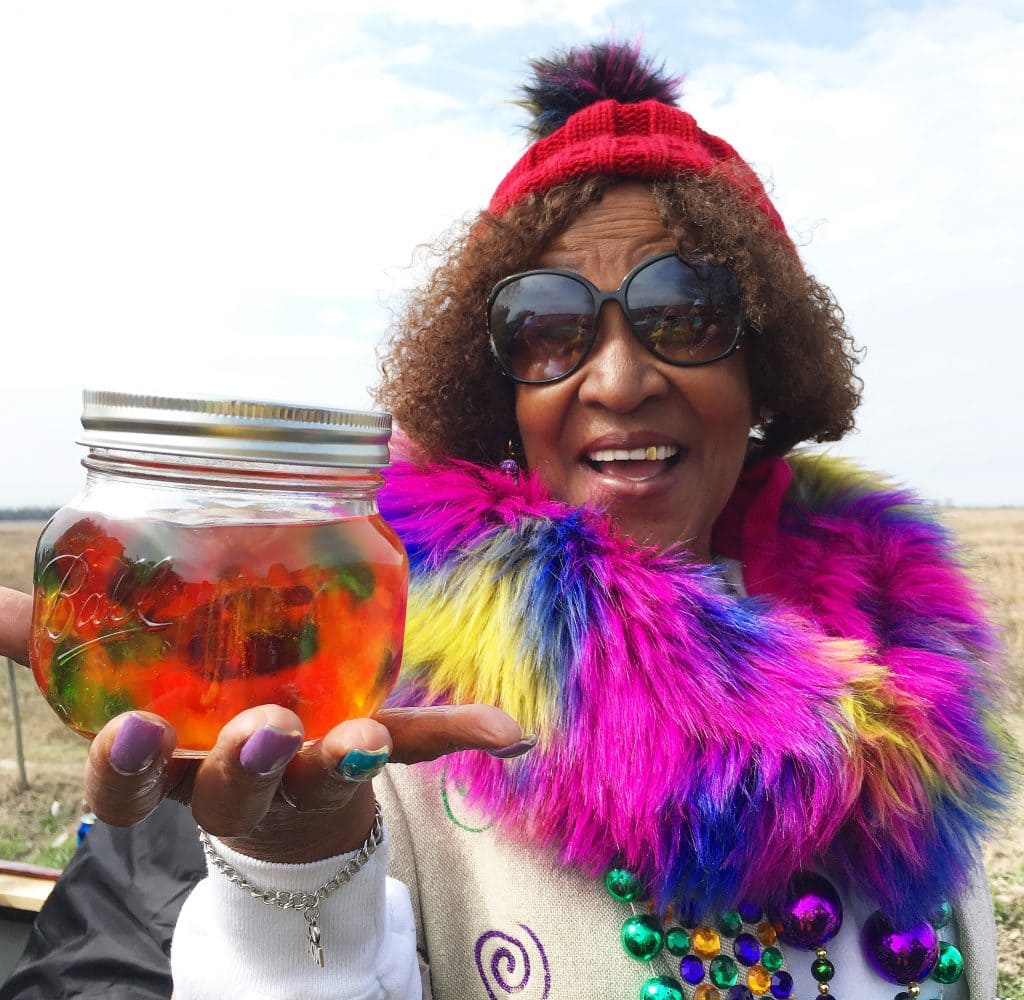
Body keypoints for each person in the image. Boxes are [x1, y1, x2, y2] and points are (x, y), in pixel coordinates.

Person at [0, 41, 1011, 1000]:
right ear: (499, 391)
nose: (618, 379)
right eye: (548, 327)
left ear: (763, 367)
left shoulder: (911, 696)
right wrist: (290, 883)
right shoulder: (348, 675)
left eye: (686, 311)